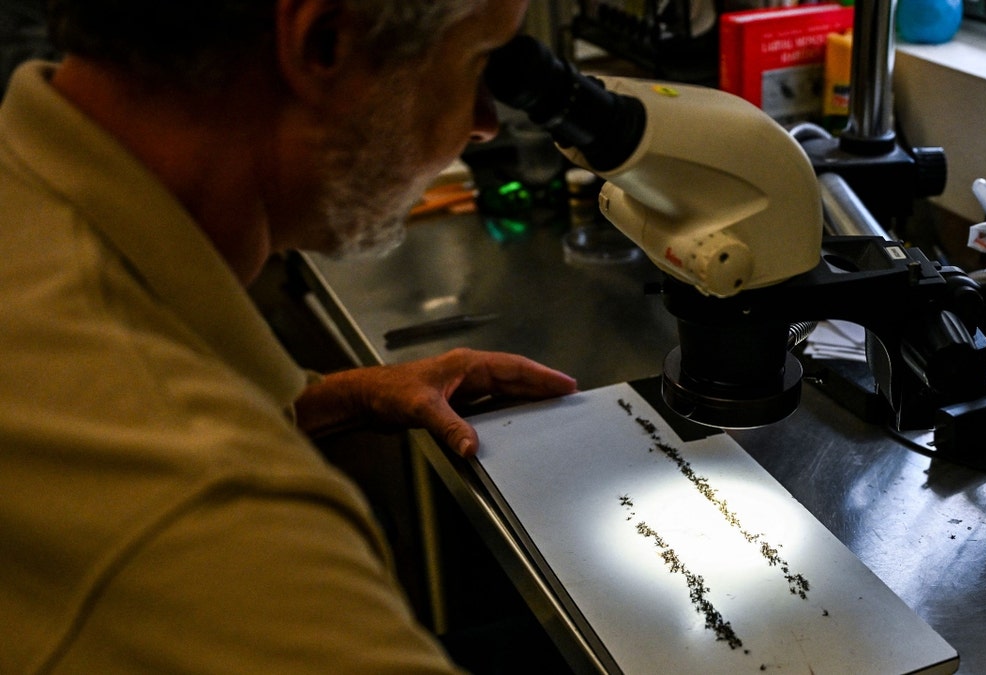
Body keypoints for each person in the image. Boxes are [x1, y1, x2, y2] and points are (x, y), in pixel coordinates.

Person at [0, 0, 579, 672]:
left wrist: (335, 398)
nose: (483, 125)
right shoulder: (220, 517)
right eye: (476, 61)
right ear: (325, 44)